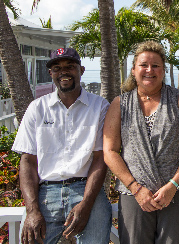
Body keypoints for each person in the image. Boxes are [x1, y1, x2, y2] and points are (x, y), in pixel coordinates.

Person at [103, 40, 179, 244]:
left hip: (176, 192)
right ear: (134, 70)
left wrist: (173, 184)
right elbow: (110, 151)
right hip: (134, 194)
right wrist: (136, 188)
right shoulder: (120, 104)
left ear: (163, 71)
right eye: (144, 65)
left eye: (155, 65)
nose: (149, 70)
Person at [12, 48, 112, 244]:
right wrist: (32, 210)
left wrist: (86, 203)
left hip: (87, 189)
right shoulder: (37, 108)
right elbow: (28, 161)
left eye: (70, 67)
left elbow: (101, 158)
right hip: (46, 193)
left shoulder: (100, 106)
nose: (63, 72)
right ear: (51, 73)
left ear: (81, 70)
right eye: (57, 68)